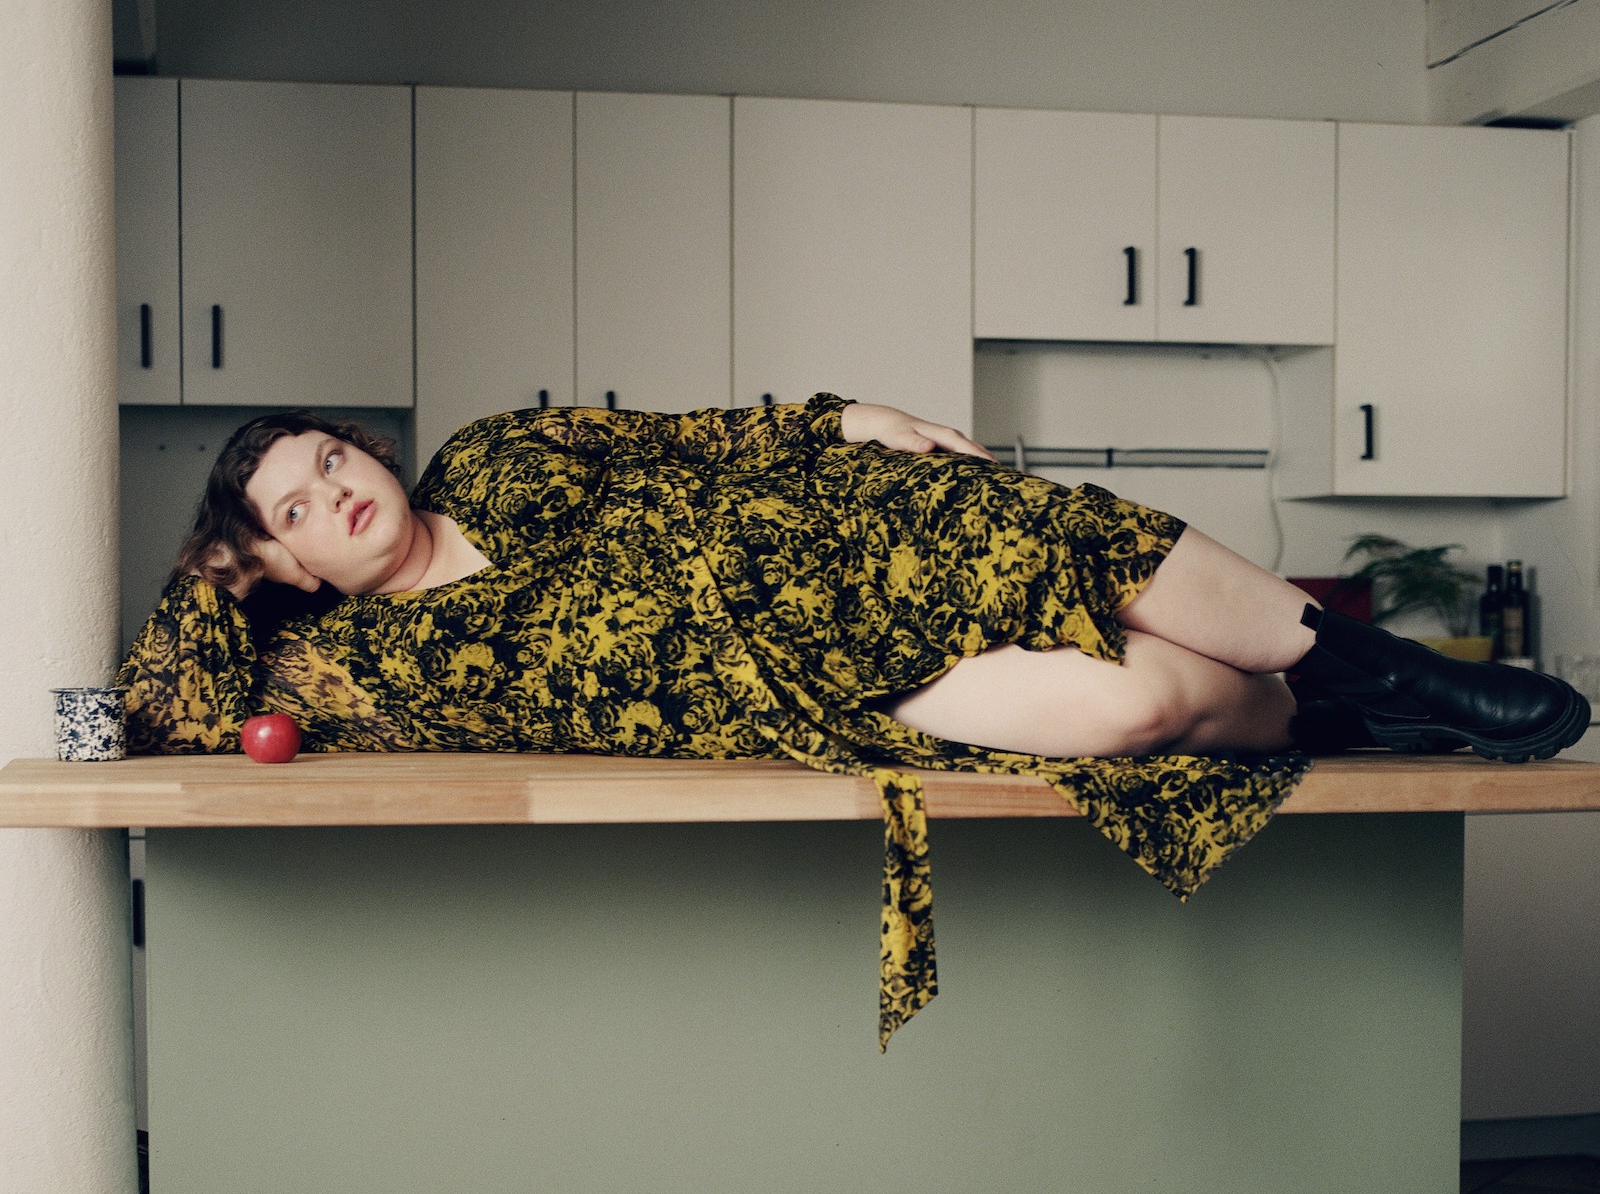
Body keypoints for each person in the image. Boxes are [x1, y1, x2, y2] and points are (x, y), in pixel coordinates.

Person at [120, 396, 1589, 1042]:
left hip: (844, 549)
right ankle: (1336, 702)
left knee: (1059, 538)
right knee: (1138, 703)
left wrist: (849, 423)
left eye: (329, 461)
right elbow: (161, 705)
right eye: (292, 512)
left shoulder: (500, 456)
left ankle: (1395, 674)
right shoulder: (367, 668)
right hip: (822, 685)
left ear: (367, 449)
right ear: (281, 568)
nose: (333, 495)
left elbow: (694, 438)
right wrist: (212, 569)